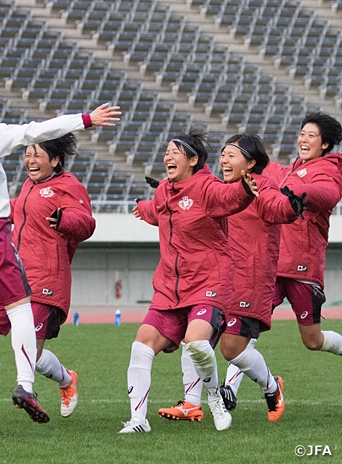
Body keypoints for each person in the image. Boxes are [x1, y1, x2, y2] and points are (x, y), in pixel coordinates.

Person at [0, 77, 119, 426]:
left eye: (37, 155)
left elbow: (85, 223)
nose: (29, 159)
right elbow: (35, 129)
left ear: (55, 160)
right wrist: (87, 119)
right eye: (28, 154)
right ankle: (12, 388)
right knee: (10, 320)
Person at [157, 134, 307, 424]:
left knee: (232, 350)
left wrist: (291, 207)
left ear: (250, 163)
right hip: (214, 278)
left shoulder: (260, 186)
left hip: (248, 278)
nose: (224, 160)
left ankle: (272, 386)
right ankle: (190, 402)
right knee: (195, 338)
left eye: (232, 155)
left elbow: (276, 206)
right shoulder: (215, 188)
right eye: (223, 154)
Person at [120, 129, 258, 434]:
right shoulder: (164, 191)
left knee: (196, 343)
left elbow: (229, 197)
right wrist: (141, 208)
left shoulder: (208, 187)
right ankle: (138, 421)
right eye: (166, 151)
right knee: (141, 346)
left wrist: (246, 190)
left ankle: (213, 399)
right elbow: (157, 210)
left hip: (209, 280)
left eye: (175, 152)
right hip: (170, 287)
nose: (168, 156)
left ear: (193, 160)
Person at [216, 113, 342, 406]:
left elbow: (329, 193)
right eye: (302, 133)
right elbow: (259, 168)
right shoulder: (289, 170)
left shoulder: (328, 171)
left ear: (325, 144)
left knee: (312, 341)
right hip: (272, 265)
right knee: (247, 325)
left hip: (302, 266)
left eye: (311, 135)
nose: (303, 139)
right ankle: (230, 390)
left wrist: (298, 192)